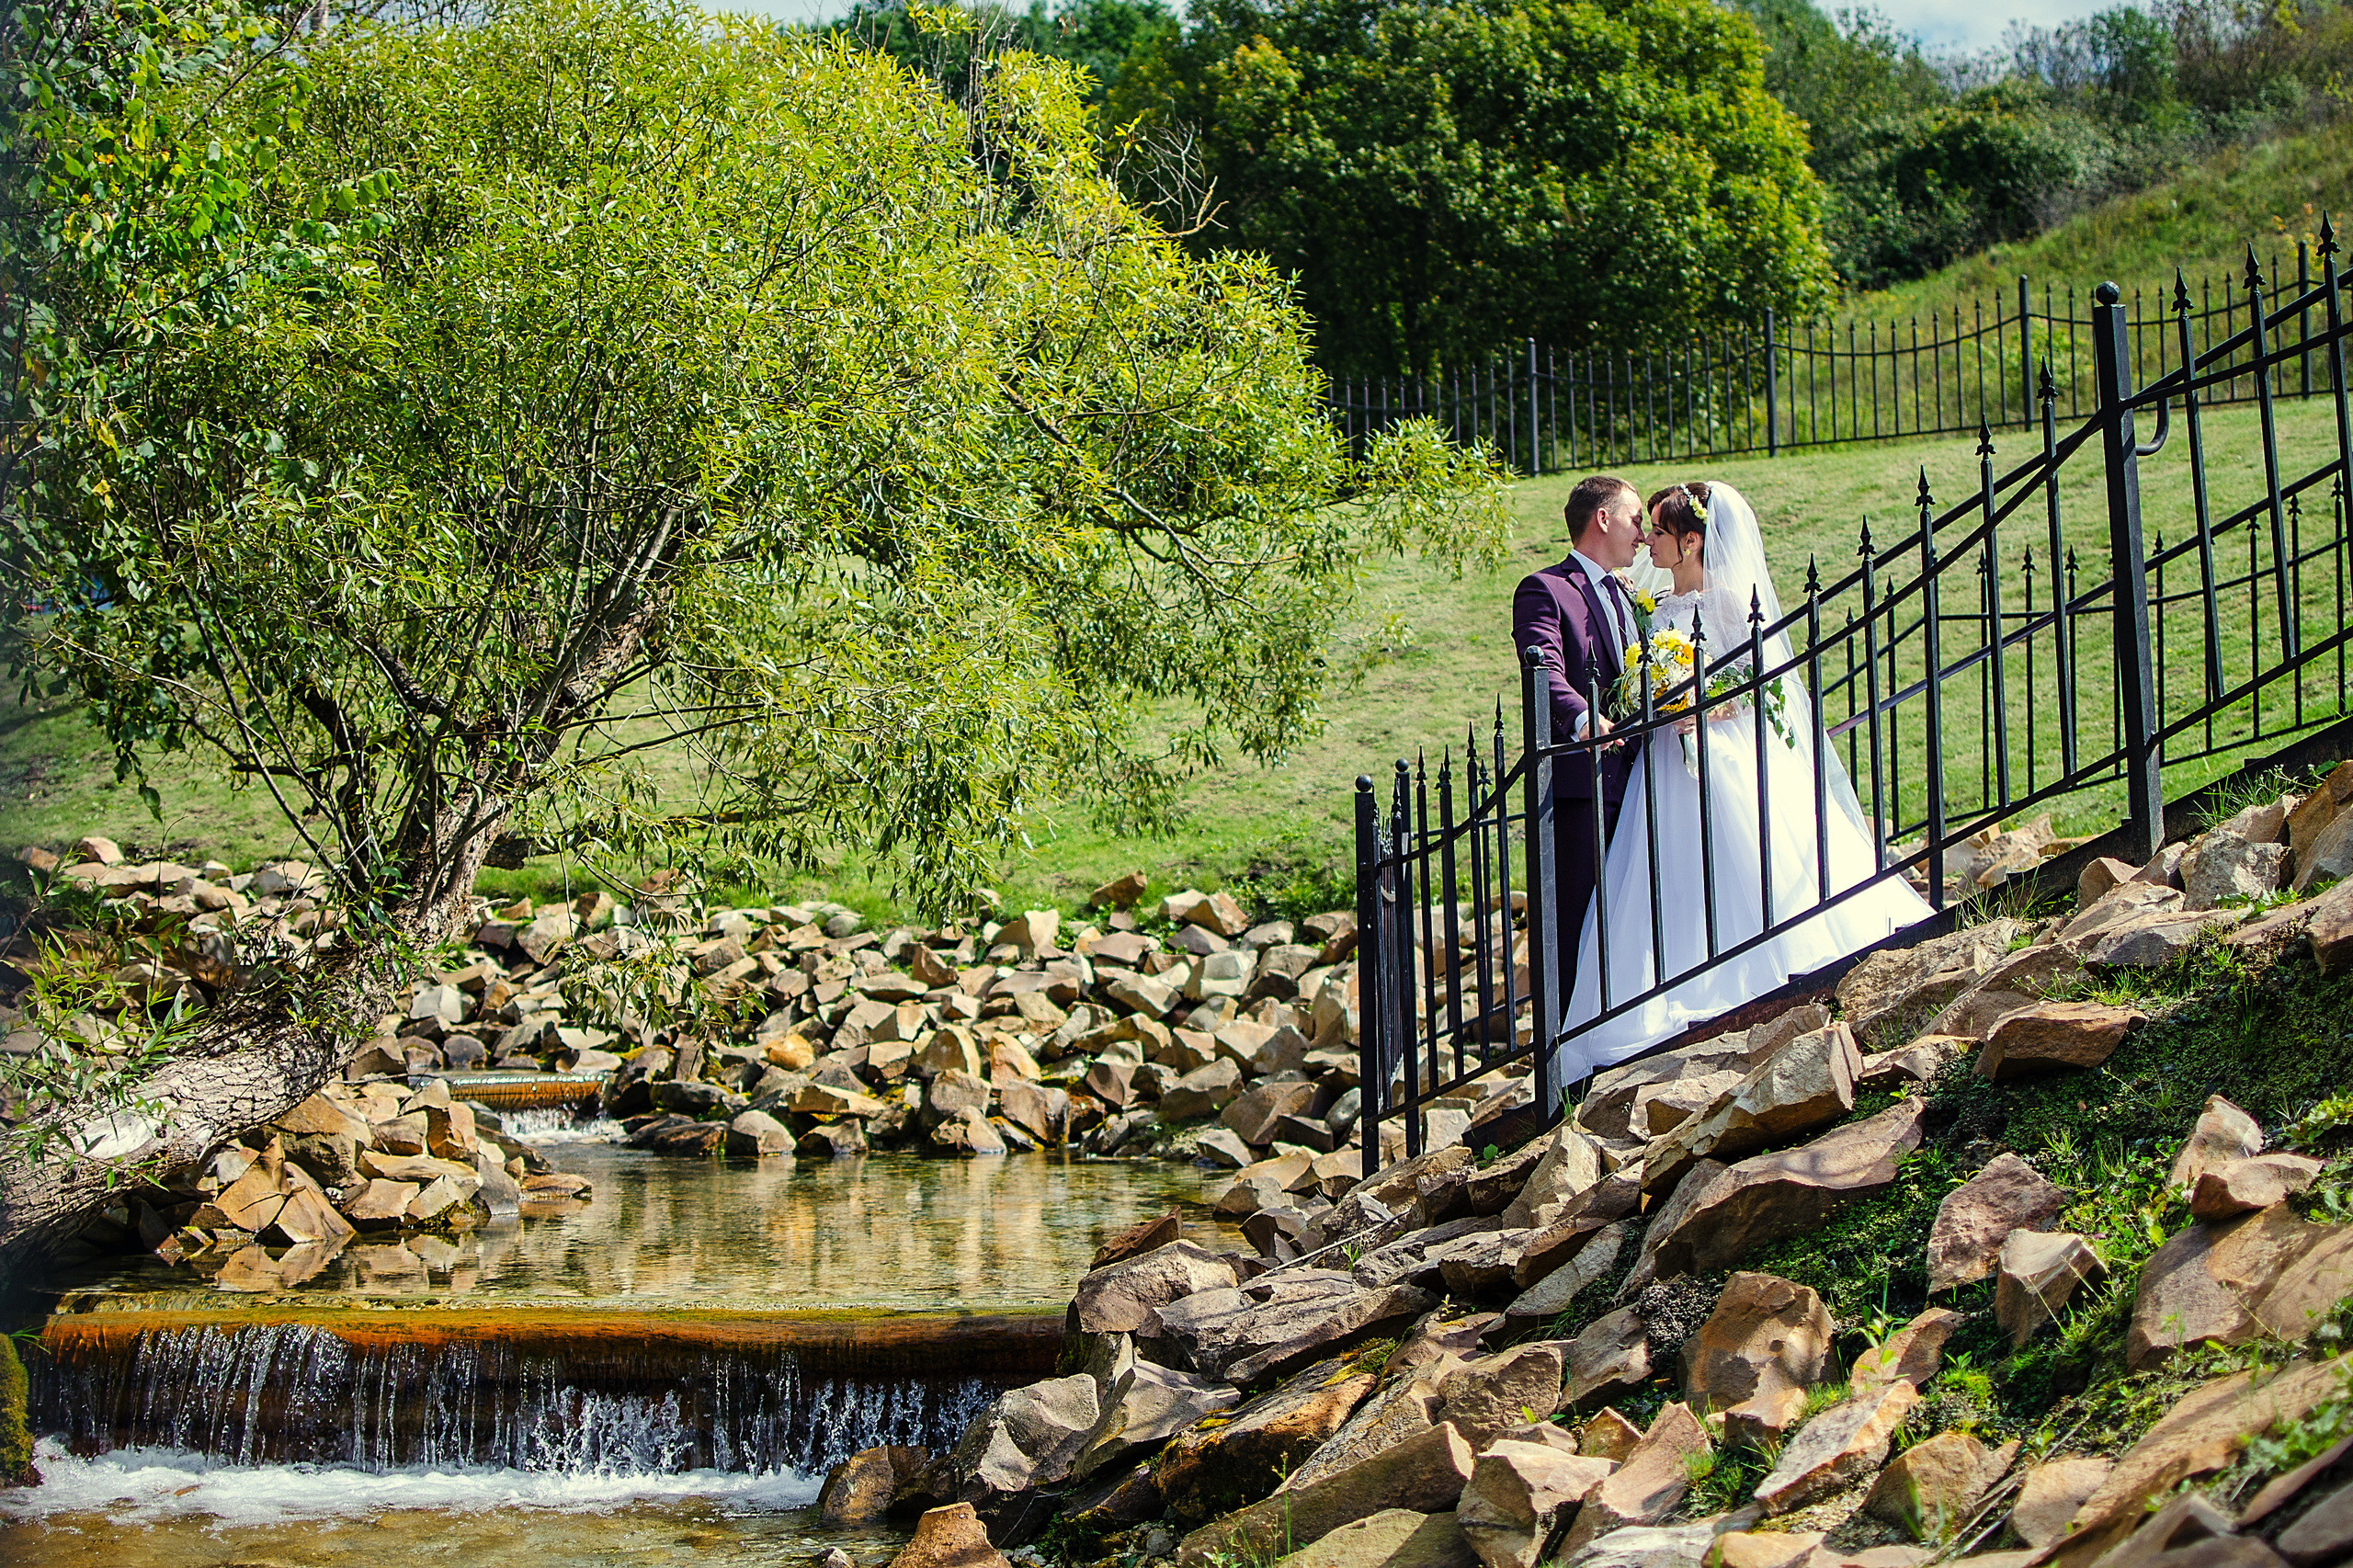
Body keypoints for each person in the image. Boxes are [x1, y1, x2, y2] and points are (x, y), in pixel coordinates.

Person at [1559, 480, 1932, 1078]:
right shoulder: (1648, 607)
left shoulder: (1730, 604)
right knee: (1669, 878)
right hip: (1662, 764)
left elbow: (1757, 688)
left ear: (1691, 541)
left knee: (1740, 858)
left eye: (1658, 531)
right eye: (1647, 527)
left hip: (1720, 754)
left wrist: (1701, 705)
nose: (1648, 539)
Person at [1511, 474, 1645, 1011]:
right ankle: (1571, 1056)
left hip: (1641, 779)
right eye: (1636, 519)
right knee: (1577, 922)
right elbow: (1541, 668)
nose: (1644, 533)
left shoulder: (1635, 595)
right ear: (1603, 518)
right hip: (1583, 788)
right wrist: (1584, 717)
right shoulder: (1545, 588)